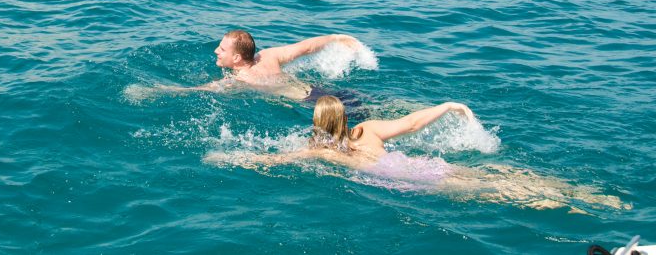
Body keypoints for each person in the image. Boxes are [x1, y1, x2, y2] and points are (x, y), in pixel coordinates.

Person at [208, 95, 628, 211]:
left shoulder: (323, 151)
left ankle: (569, 206)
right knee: (498, 175)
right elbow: (411, 123)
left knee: (492, 191)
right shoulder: (368, 129)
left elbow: (276, 159)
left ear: (319, 122)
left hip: (412, 182)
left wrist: (232, 159)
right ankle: (585, 193)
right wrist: (447, 106)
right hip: (422, 165)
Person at [156, 30, 365, 101]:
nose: (216, 52)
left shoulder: (241, 79)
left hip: (313, 103)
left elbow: (203, 89)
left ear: (237, 58)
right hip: (321, 91)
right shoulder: (269, 56)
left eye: (221, 49)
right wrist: (336, 38)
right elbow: (306, 47)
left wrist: (163, 90)